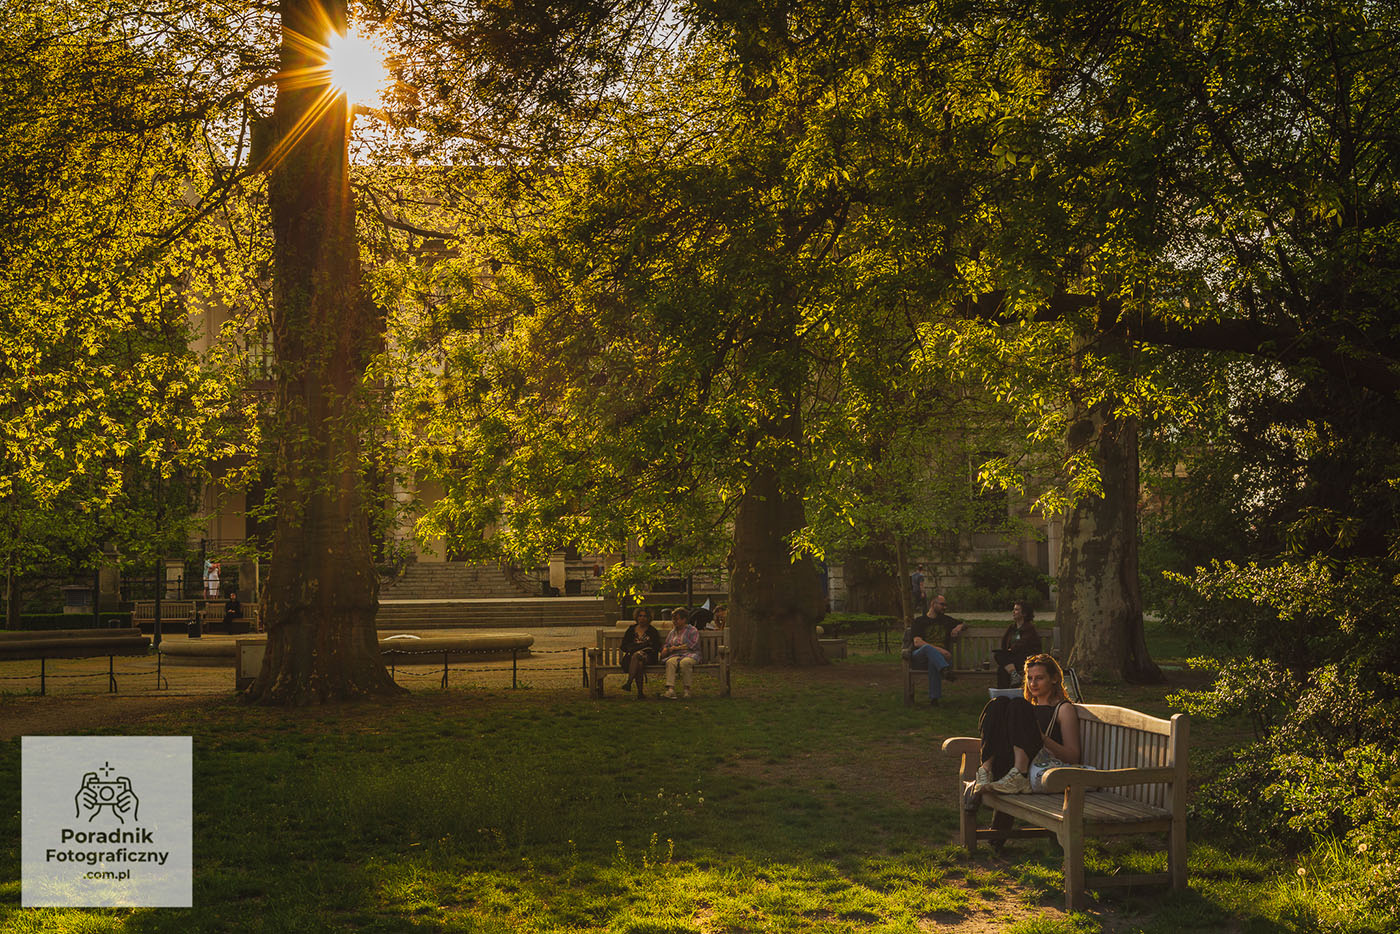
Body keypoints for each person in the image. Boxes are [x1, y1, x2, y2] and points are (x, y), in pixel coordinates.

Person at [974, 653, 1081, 796]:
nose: (1033, 684)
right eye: (1030, 678)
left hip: (1036, 769)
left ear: (1054, 678)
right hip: (1006, 767)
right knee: (998, 703)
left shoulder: (1063, 709)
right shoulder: (1026, 708)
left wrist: (1041, 738)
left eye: (1039, 678)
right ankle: (986, 771)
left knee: (1018, 704)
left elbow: (1073, 757)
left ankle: (1020, 774)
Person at [905, 596, 958, 705]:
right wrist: (942, 651)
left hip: (935, 660)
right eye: (942, 604)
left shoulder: (946, 620)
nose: (945, 607)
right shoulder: (919, 621)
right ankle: (944, 669)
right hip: (919, 657)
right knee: (928, 648)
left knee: (933, 660)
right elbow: (917, 642)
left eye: (945, 605)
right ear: (933, 604)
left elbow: (964, 623)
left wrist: (958, 628)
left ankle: (934, 699)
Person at [993, 601, 1042, 689]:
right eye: (1014, 609)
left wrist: (1011, 650)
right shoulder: (1012, 628)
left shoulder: (1029, 628)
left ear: (1024, 613)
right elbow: (1004, 643)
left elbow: (1023, 644)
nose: (1013, 612)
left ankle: (1014, 678)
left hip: (1026, 657)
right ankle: (1005, 693)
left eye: (1016, 610)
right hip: (1013, 657)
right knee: (1000, 662)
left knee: (1003, 666)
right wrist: (1006, 651)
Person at [620, 608, 662, 699]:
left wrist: (645, 647)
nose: (642, 618)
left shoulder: (652, 631)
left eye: (645, 616)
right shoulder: (631, 630)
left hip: (649, 657)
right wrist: (634, 647)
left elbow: (657, 646)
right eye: (640, 616)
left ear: (648, 618)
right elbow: (623, 646)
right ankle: (640, 693)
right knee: (638, 662)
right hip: (632, 659)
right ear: (637, 617)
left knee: (638, 655)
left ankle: (629, 682)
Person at [660, 607, 701, 699]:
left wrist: (677, 647)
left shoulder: (692, 630)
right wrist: (667, 649)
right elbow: (667, 644)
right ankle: (670, 690)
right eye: (673, 619)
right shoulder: (672, 632)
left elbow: (693, 645)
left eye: (677, 619)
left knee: (685, 663)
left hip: (690, 654)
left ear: (684, 619)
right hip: (675, 655)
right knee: (670, 662)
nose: (674, 622)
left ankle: (687, 690)